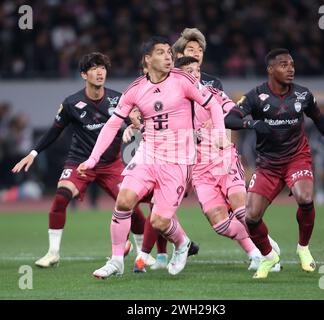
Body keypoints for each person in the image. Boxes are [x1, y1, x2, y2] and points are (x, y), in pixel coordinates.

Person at [77, 36, 228, 278]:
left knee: (159, 222)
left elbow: (214, 105)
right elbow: (112, 125)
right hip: (148, 154)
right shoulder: (136, 89)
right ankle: (116, 260)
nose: (169, 56)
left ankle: (182, 243)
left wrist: (220, 133)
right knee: (124, 200)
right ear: (148, 59)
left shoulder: (184, 80)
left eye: (170, 52)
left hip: (178, 159)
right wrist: (92, 160)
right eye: (161, 52)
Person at [130, 56, 281, 272]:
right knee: (220, 224)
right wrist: (137, 127)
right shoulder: (170, 102)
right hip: (198, 170)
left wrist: (243, 122)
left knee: (241, 210)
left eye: (197, 70)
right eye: (189, 70)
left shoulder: (213, 95)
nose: (195, 74)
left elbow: (235, 112)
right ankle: (259, 248)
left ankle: (266, 252)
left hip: (223, 161)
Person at [225, 48, 324, 279]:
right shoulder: (256, 96)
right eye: (283, 65)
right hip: (268, 165)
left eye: (292, 64)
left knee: (305, 198)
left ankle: (303, 248)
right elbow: (230, 118)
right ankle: (269, 256)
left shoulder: (303, 95)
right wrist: (251, 125)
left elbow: (320, 118)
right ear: (270, 70)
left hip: (297, 158)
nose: (290, 69)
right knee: (251, 217)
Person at [12, 52, 149, 268]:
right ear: (84, 74)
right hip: (80, 162)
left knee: (131, 207)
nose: (99, 72)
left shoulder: (118, 99)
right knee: (61, 197)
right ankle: (53, 253)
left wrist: (133, 126)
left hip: (111, 164)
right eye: (94, 68)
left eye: (102, 67)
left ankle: (142, 254)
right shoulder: (71, 103)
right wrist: (33, 153)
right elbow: (53, 132)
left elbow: (136, 120)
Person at [138, 27, 224, 270]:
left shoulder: (213, 83)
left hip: (208, 153)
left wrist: (219, 134)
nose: (195, 54)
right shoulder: (171, 80)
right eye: (190, 50)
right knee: (158, 203)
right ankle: (153, 255)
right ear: (178, 54)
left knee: (231, 204)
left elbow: (224, 111)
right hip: (175, 151)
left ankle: (260, 249)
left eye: (199, 51)